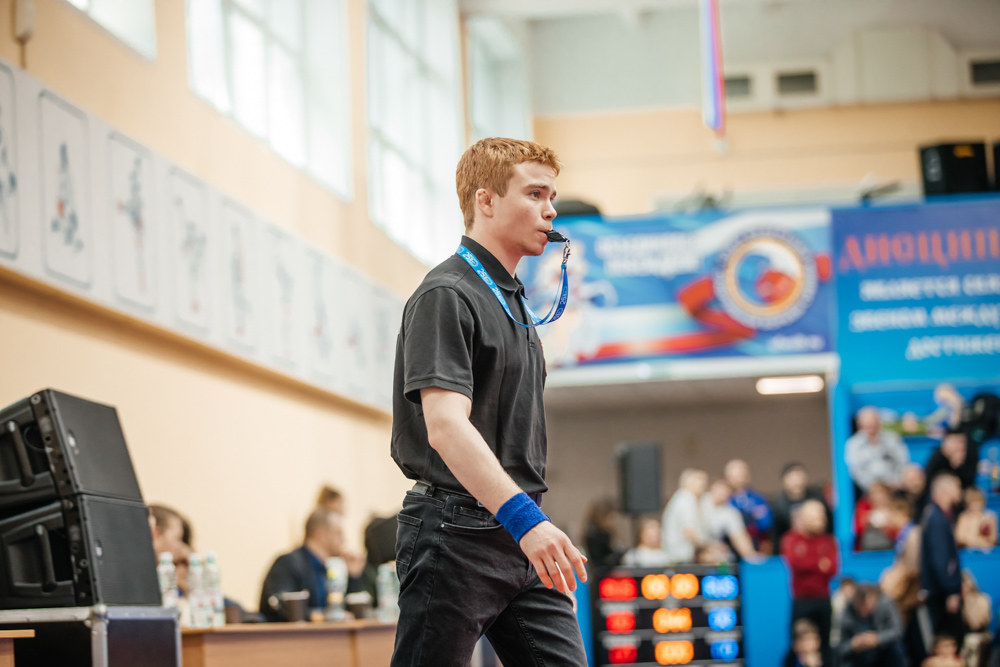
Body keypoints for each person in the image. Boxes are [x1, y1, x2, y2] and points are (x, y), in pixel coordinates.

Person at [389, 138, 588, 666]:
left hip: (519, 532)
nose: (550, 210)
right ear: (486, 201)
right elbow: (446, 428)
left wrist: (526, 526)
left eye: (553, 197)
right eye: (535, 193)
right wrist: (527, 522)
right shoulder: (447, 294)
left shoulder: (513, 302)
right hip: (455, 535)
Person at [258, 508, 362, 622]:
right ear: (322, 535)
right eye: (338, 533)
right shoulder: (288, 563)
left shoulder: (326, 569)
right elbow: (278, 605)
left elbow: (343, 613)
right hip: (289, 638)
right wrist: (322, 617)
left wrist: (353, 577)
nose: (344, 539)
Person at [782, 499, 839, 658]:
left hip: (824, 601)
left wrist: (809, 562)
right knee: (797, 647)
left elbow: (833, 569)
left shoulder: (829, 541)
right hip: (801, 601)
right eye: (817, 516)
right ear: (804, 518)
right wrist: (819, 564)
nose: (822, 520)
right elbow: (796, 565)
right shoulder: (791, 539)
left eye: (823, 516)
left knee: (826, 648)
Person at [920, 472, 964, 645]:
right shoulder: (937, 519)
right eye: (957, 487)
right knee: (948, 643)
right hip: (941, 595)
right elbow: (941, 560)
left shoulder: (937, 516)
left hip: (940, 591)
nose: (960, 492)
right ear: (944, 491)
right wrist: (952, 590)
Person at [837, 584, 906, 667]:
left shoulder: (885, 603)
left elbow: (898, 631)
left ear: (873, 598)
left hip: (884, 651)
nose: (863, 612)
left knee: (895, 649)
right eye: (859, 608)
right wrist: (853, 644)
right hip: (859, 656)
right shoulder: (849, 610)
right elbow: (841, 648)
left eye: (866, 607)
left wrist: (877, 639)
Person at [845, 407, 909, 493]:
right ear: (860, 425)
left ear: (879, 422)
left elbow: (903, 461)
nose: (871, 429)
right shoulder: (853, 444)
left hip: (894, 487)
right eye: (867, 426)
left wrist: (895, 482)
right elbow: (855, 471)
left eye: (873, 424)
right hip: (868, 491)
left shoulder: (892, 439)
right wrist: (873, 487)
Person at [773, 463, 832, 547]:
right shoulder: (779, 505)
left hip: (818, 545)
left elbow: (829, 522)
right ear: (784, 480)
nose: (797, 482)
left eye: (799, 477)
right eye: (793, 478)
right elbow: (776, 533)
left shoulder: (817, 497)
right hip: (792, 547)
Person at [700, 479, 760, 562]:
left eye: (726, 491)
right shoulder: (698, 501)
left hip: (713, 551)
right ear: (712, 488)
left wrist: (751, 555)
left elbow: (739, 535)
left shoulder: (730, 512)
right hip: (693, 547)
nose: (722, 493)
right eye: (720, 489)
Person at [661, 468, 709, 564]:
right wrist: (707, 548)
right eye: (699, 479)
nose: (703, 484)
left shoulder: (685, 499)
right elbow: (688, 531)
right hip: (679, 559)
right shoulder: (685, 500)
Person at [724, 459, 773, 550]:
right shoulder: (723, 499)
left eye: (741, 475)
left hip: (755, 547)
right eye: (735, 476)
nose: (739, 479)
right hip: (727, 549)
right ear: (727, 477)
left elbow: (765, 523)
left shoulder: (758, 499)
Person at [923, 430, 976, 503]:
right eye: (955, 442)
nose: (958, 446)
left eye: (961, 442)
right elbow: (927, 480)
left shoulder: (970, 455)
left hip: (960, 501)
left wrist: (958, 466)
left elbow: (969, 484)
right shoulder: (938, 456)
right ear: (945, 443)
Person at [583, 498, 624, 568]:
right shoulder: (593, 535)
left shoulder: (607, 533)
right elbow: (599, 562)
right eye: (610, 517)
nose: (613, 521)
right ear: (602, 516)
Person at [854, 481, 895, 551]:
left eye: (879, 493)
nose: (875, 496)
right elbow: (857, 529)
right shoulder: (864, 509)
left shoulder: (894, 511)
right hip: (868, 551)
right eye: (872, 493)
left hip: (889, 550)